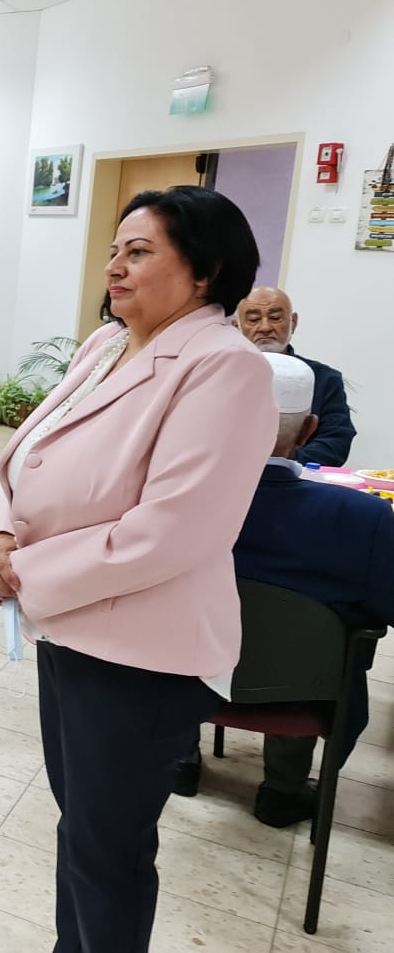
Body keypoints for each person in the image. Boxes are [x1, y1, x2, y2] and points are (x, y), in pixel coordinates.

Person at [0, 186, 276, 952]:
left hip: (143, 654)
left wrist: (28, 570)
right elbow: (30, 455)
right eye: (115, 249)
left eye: (138, 252)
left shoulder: (225, 366)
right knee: (82, 831)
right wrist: (0, 533)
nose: (115, 267)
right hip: (70, 631)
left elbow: (173, 531)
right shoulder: (106, 345)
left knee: (107, 852)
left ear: (205, 272)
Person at [174, 351, 394, 827]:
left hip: (184, 677)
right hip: (303, 693)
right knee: (332, 637)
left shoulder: (172, 502)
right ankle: (284, 788)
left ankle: (180, 760)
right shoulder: (364, 519)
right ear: (311, 431)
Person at [235, 286, 354, 466]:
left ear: (294, 322)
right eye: (253, 319)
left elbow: (335, 443)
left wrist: (277, 465)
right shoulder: (219, 373)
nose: (265, 327)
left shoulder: (324, 379)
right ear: (237, 327)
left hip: (297, 479)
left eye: (275, 318)